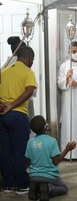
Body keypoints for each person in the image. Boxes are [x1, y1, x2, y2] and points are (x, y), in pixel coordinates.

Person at [0, 46, 37, 194]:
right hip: (18, 116)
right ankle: (22, 185)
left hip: (2, 116)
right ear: (28, 58)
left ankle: (8, 185)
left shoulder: (4, 71)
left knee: (5, 151)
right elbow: (29, 91)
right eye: (32, 60)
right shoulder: (28, 72)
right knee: (19, 151)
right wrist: (12, 105)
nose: (32, 63)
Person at [25, 115, 76, 201]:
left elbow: (28, 160)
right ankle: (47, 188)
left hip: (33, 176)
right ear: (46, 127)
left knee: (38, 180)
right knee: (64, 188)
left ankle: (34, 188)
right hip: (49, 176)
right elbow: (56, 161)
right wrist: (67, 149)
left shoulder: (30, 142)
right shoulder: (52, 141)